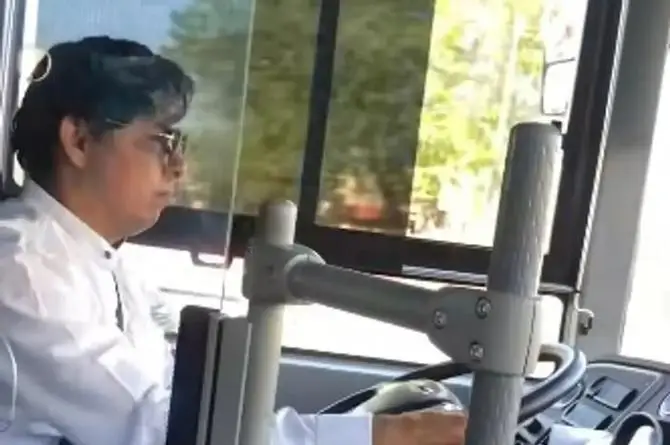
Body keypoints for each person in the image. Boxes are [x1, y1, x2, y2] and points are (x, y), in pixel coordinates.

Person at [0, 36, 467, 445]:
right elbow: (165, 431)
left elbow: (184, 408)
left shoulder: (105, 266)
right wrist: (387, 435)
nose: (179, 167)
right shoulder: (23, 271)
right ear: (79, 140)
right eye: (162, 141)